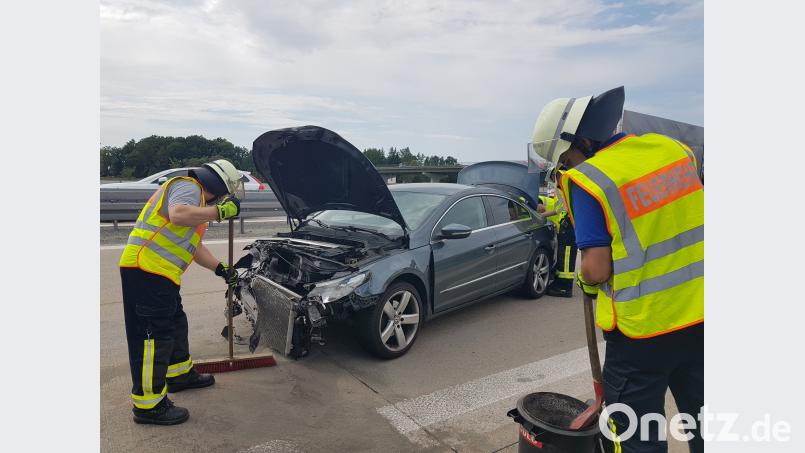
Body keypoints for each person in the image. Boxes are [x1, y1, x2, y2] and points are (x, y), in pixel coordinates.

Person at [529, 87, 704, 452]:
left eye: (565, 160)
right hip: (703, 317)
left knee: (636, 438)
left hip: (642, 333)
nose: (566, 169)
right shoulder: (672, 150)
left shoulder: (592, 180)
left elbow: (596, 268)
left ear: (584, 142)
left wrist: (583, 277)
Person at [118, 159, 245, 425]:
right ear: (219, 185)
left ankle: (179, 375)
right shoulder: (189, 187)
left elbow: (194, 248)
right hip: (146, 271)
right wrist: (220, 213)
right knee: (153, 338)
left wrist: (221, 269)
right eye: (227, 192)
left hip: (160, 274)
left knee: (175, 324)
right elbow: (177, 214)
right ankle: (148, 405)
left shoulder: (196, 206)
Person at [538, 168, 577, 298]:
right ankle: (561, 283)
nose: (553, 182)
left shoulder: (563, 184)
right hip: (567, 225)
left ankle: (565, 288)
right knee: (564, 256)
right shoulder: (565, 184)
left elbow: (560, 208)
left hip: (568, 225)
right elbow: (559, 207)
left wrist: (542, 215)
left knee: (566, 258)